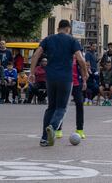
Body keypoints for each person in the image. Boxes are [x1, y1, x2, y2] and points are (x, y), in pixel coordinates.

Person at [31, 19, 89, 147]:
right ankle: (53, 126)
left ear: (58, 29)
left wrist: (31, 73)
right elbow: (80, 58)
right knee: (61, 107)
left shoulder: (48, 39)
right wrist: (84, 74)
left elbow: (36, 55)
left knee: (51, 107)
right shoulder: (72, 41)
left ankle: (44, 138)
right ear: (68, 29)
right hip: (65, 79)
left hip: (50, 78)